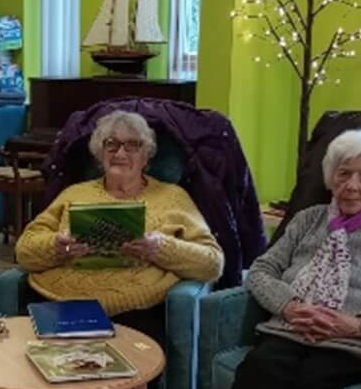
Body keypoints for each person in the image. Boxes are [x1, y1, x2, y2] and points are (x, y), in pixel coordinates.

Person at [230, 129, 361, 389]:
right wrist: (289, 306)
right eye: (344, 174)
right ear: (331, 177)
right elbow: (262, 270)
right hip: (290, 330)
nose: (351, 186)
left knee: (310, 379)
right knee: (258, 369)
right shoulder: (308, 219)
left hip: (352, 345)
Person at [15, 109, 223, 350]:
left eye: (132, 145)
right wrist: (56, 247)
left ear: (146, 156)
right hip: (58, 303)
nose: (120, 153)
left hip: (133, 311)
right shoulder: (74, 193)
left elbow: (212, 263)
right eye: (111, 145)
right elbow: (24, 251)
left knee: (130, 370)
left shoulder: (173, 198)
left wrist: (161, 248)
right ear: (99, 154)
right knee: (27, 364)